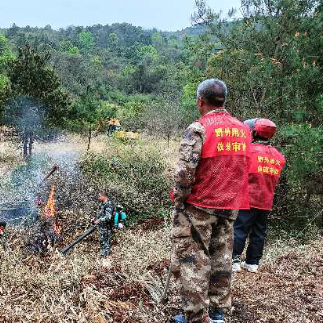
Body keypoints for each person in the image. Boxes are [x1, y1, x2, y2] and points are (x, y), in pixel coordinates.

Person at [172, 79, 251, 323]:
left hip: (199, 206)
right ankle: (218, 313)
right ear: (223, 100)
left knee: (193, 259)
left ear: (200, 101)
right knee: (222, 258)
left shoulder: (198, 129)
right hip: (230, 205)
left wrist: (180, 199)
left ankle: (195, 316)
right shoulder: (243, 129)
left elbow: (185, 173)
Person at [232, 119, 285, 273]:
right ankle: (252, 263)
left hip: (247, 199)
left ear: (254, 132)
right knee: (259, 232)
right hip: (266, 200)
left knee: (239, 230)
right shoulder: (278, 156)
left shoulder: (247, 151)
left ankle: (234, 260)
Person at [92, 191, 114, 258]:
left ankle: (106, 258)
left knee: (106, 243)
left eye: (99, 196)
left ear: (104, 196)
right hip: (101, 227)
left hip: (106, 227)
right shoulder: (101, 204)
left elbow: (108, 217)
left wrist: (99, 220)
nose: (98, 198)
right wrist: (94, 219)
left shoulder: (108, 204)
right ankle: (103, 256)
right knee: (102, 242)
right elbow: (100, 215)